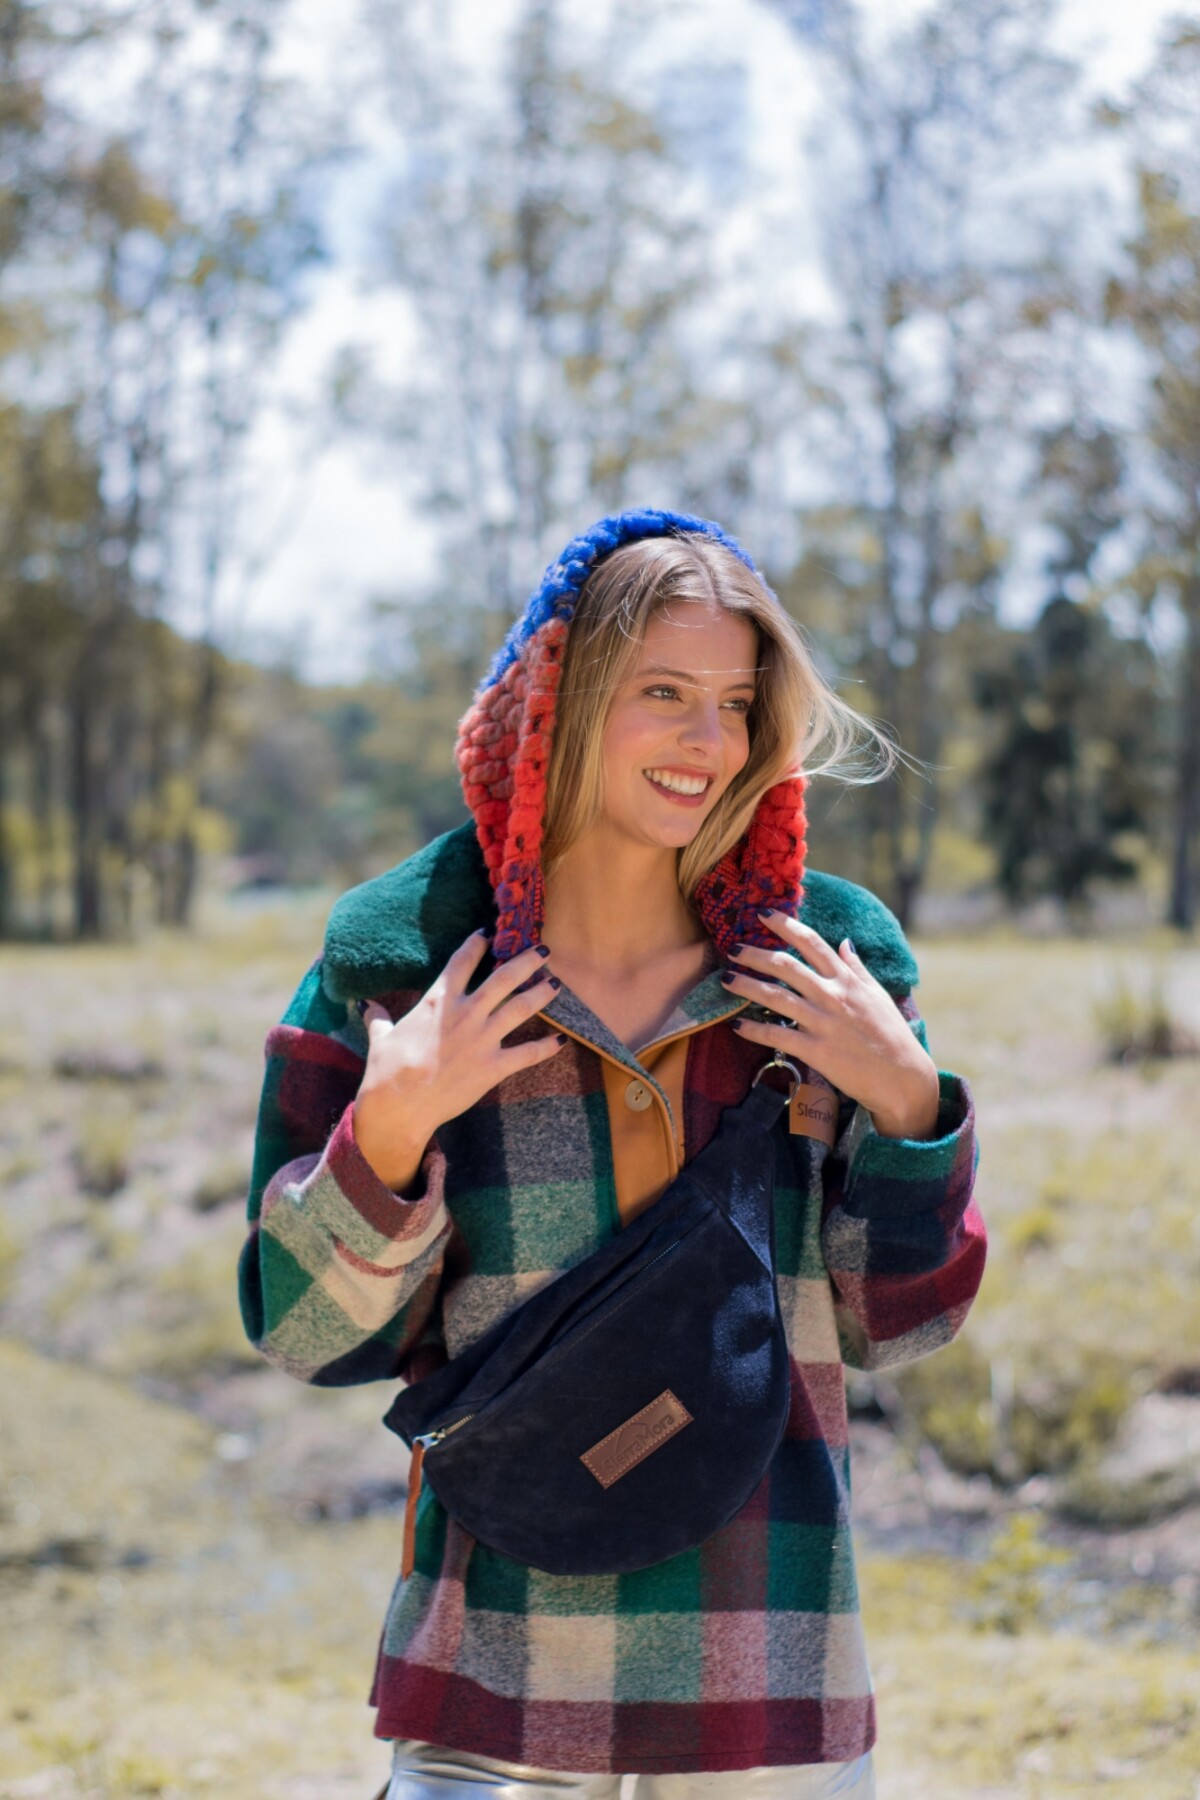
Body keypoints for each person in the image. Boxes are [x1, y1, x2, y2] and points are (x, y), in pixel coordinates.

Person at [239, 508, 985, 1800]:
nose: (712, 743)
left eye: (738, 703)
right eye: (665, 694)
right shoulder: (402, 972)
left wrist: (911, 1105)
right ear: (566, 698)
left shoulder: (828, 976)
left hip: (773, 1663)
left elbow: (900, 1327)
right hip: (499, 1668)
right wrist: (395, 1131)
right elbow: (301, 1333)